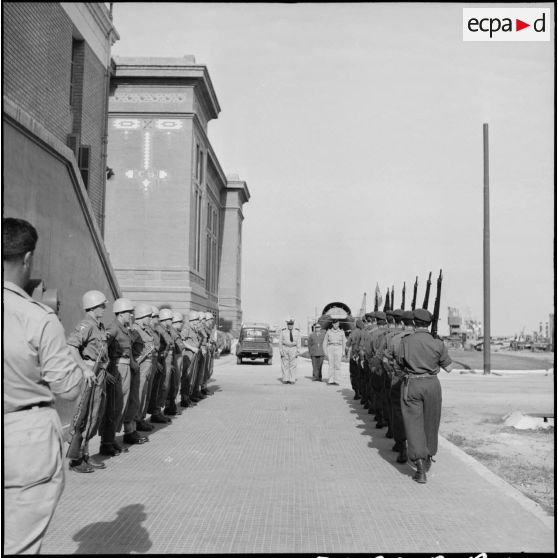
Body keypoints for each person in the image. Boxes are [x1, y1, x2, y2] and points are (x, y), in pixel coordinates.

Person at [3, 217, 86, 554]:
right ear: (26, 258)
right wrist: (77, 364)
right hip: (24, 437)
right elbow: (68, 388)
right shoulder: (36, 317)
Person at [396, 308, 455, 483]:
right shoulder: (437, 343)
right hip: (432, 385)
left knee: (413, 424)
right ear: (429, 324)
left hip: (412, 383)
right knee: (431, 422)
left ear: (414, 323)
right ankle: (429, 456)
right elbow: (450, 368)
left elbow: (399, 364)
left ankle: (420, 467)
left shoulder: (406, 341)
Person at [66, 289, 111, 473]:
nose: (104, 308)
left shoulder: (98, 326)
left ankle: (84, 455)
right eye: (101, 305)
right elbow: (71, 347)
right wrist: (84, 369)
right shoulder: (86, 325)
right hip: (90, 373)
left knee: (94, 414)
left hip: (98, 373)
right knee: (83, 415)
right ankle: (75, 460)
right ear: (92, 307)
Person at [99, 298, 143, 455]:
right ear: (121, 313)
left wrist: (131, 362)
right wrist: (105, 369)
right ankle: (106, 442)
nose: (130, 316)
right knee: (114, 406)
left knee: (121, 405)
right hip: (116, 368)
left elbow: (128, 348)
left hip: (124, 367)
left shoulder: (123, 328)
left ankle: (111, 440)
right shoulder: (113, 327)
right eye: (128, 313)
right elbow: (102, 347)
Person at [383, 309, 414, 464]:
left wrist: (391, 374)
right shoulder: (420, 339)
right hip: (416, 381)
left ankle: (401, 446)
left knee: (398, 412)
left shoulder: (395, 339)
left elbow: (385, 360)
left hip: (398, 378)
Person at [127, 303, 156, 436]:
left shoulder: (146, 329)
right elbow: (128, 348)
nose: (151, 319)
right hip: (140, 365)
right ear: (142, 316)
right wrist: (133, 362)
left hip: (148, 365)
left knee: (144, 394)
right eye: (149, 316)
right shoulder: (135, 330)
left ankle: (140, 419)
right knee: (137, 395)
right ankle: (134, 422)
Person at [322, 318, 346, 385]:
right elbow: (325, 342)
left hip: (339, 347)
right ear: (332, 324)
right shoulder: (329, 332)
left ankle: (337, 380)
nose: (336, 325)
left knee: (337, 365)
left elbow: (344, 342)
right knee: (331, 365)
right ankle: (331, 380)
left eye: (337, 324)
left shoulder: (341, 332)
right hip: (331, 347)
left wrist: (344, 351)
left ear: (339, 324)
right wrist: (325, 351)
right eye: (334, 324)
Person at [278, 318, 302, 384]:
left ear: (293, 324)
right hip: (285, 348)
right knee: (285, 364)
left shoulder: (297, 332)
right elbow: (280, 342)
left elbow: (299, 342)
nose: (290, 326)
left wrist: (298, 351)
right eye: (289, 324)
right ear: (287, 324)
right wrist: (281, 351)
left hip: (293, 348)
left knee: (293, 364)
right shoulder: (283, 331)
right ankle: (285, 379)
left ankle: (292, 379)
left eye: (291, 324)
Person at [346, 318, 364, 397]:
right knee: (361, 374)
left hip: (353, 356)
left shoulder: (352, 333)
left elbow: (347, 346)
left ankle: (356, 391)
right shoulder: (364, 333)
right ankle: (362, 391)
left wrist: (346, 353)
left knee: (353, 374)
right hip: (361, 356)